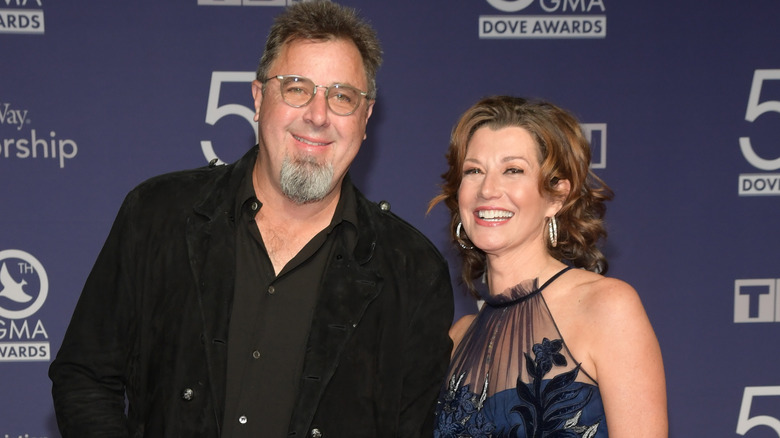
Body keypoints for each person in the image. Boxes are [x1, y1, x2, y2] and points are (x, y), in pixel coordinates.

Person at [48, 1, 454, 437]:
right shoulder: (157, 215)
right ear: (259, 98)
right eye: (297, 88)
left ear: (366, 117)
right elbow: (84, 377)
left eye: (341, 96)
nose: (318, 116)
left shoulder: (412, 271)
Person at [429, 96, 667, 437]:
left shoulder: (607, 308)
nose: (488, 189)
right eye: (473, 170)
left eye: (513, 170)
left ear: (556, 196)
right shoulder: (457, 338)